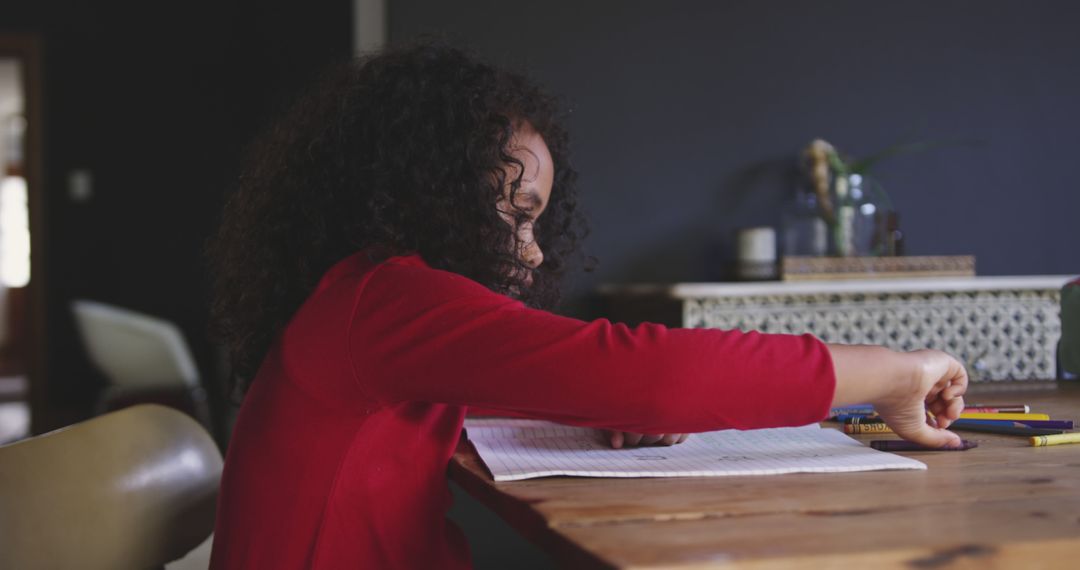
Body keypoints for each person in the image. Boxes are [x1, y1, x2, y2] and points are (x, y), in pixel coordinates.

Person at [207, 43, 968, 569]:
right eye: (518, 213)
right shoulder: (387, 299)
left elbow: (567, 381)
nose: (534, 251)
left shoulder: (363, 300)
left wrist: (592, 402)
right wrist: (897, 373)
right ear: (435, 200)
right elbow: (654, 376)